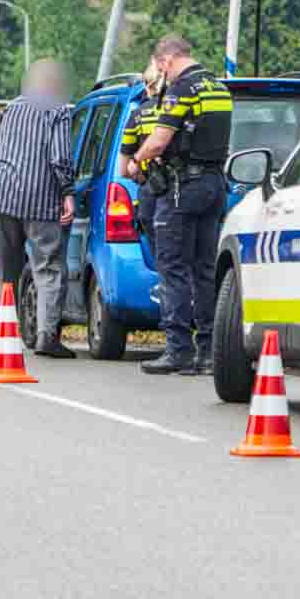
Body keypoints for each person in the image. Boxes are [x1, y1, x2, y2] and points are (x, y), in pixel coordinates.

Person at [130, 34, 233, 374]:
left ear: (166, 61)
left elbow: (159, 142)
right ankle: (207, 352)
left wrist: (137, 163)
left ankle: (178, 350)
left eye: (161, 68)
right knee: (204, 270)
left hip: (181, 188)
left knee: (172, 267)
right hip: (215, 185)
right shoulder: (219, 87)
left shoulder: (182, 89)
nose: (163, 75)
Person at [0, 59, 77, 359]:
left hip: (1, 195)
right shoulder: (58, 111)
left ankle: (4, 330)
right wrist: (68, 193)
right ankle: (47, 337)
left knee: (5, 268)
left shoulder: (10, 108)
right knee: (48, 266)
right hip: (39, 199)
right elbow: (60, 158)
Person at [119, 58, 166, 246]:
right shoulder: (182, 109)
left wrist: (137, 173)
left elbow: (124, 170)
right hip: (192, 188)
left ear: (147, 86)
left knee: (163, 258)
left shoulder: (138, 115)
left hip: (152, 189)